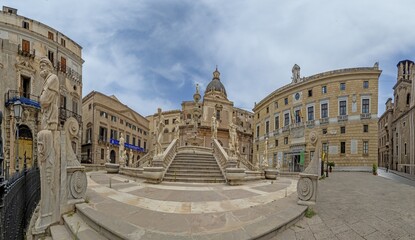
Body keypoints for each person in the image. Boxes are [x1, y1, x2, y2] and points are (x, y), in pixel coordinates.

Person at [39, 57, 59, 131]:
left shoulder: (53, 78)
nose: (41, 67)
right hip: (46, 114)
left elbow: (44, 100)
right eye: (40, 66)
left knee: (45, 136)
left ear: (49, 66)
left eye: (43, 65)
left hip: (50, 117)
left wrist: (41, 99)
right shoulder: (47, 79)